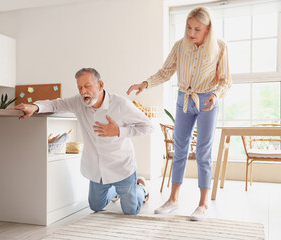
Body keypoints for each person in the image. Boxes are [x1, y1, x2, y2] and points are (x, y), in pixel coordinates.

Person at [127, 6, 232, 221]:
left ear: (207, 29)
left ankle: (202, 204)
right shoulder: (179, 46)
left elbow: (225, 80)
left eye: (197, 29)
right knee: (179, 149)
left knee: (203, 151)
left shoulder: (219, 47)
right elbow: (165, 72)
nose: (191, 33)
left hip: (207, 101)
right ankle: (173, 199)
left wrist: (216, 95)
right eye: (188, 27)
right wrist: (145, 84)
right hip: (184, 100)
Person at [12, 68, 155, 215]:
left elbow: (149, 126)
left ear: (100, 85)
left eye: (87, 86)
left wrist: (119, 131)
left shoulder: (120, 104)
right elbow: (55, 104)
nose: (83, 91)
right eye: (80, 87)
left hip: (122, 167)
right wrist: (35, 106)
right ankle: (116, 191)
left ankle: (141, 188)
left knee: (130, 211)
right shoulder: (78, 102)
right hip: (98, 170)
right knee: (96, 206)